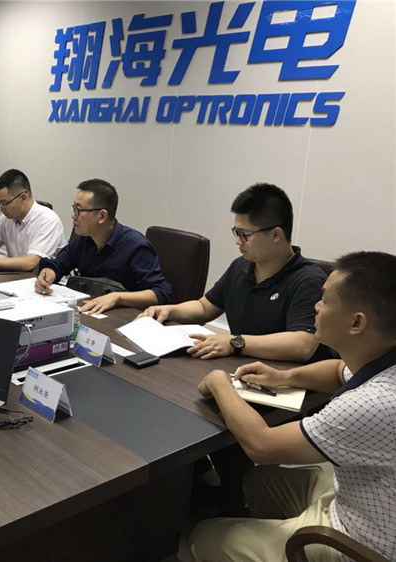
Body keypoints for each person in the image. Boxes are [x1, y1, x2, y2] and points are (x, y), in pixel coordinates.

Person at [190, 251, 396, 561]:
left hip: (360, 544)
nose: (316, 306)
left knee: (202, 535)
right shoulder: (382, 358)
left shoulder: (372, 403)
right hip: (357, 496)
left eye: (325, 300)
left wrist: (220, 383)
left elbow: (262, 446)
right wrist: (284, 376)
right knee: (256, 481)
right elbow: (337, 370)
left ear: (357, 322)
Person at [141, 183, 331, 362]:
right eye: (236, 233)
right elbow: (205, 308)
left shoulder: (308, 280)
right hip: (238, 368)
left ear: (276, 235)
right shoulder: (241, 266)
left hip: (282, 379)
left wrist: (235, 342)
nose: (238, 241)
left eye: (244, 235)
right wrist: (169, 310)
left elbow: (303, 345)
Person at [35, 179, 171, 314]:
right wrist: (46, 276)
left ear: (102, 216)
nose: (73, 215)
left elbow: (161, 293)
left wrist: (118, 298)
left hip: (124, 316)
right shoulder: (84, 239)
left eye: (78, 210)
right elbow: (58, 265)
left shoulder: (135, 246)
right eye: (73, 208)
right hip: (90, 311)